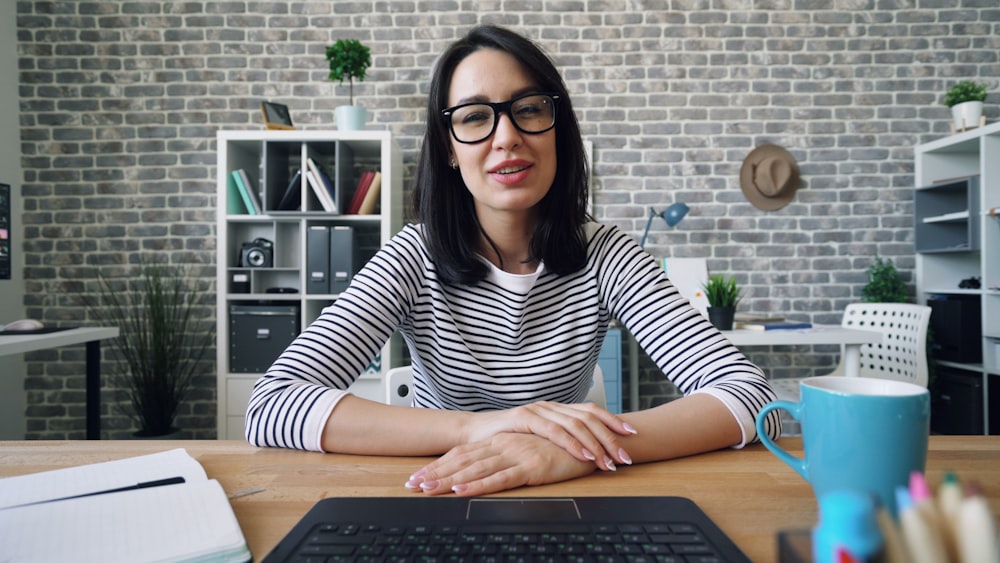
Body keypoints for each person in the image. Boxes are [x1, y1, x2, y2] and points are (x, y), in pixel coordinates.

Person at [246, 24, 780, 496]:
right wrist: (479, 428)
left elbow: (753, 398)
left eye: (528, 110)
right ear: (450, 148)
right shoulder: (414, 255)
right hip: (440, 489)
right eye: (476, 116)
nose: (507, 138)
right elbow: (271, 405)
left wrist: (574, 450)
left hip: (571, 494)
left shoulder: (608, 253)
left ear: (558, 128)